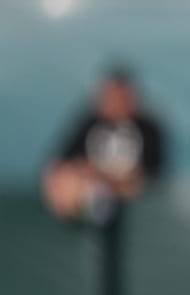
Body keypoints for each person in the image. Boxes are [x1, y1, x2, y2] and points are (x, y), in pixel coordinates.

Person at [42, 68, 167, 226]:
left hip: (133, 200)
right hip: (89, 195)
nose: (117, 103)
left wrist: (103, 175)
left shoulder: (148, 128)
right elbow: (58, 162)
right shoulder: (89, 123)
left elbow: (152, 175)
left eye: (122, 97)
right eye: (112, 97)